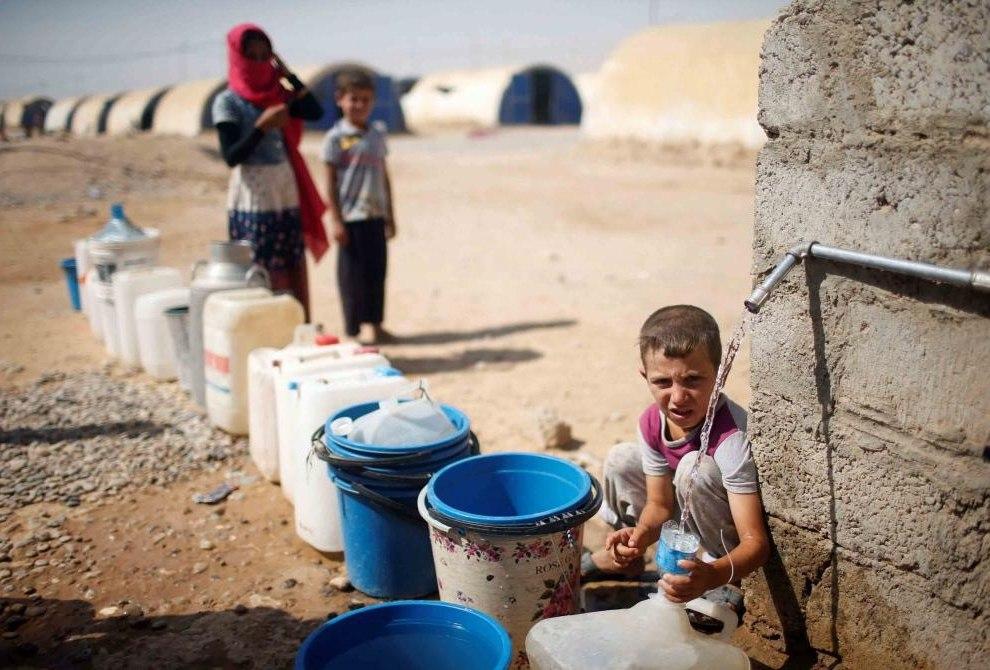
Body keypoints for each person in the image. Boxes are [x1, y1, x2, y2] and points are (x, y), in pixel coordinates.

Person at [586, 305, 770, 618]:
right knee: (621, 458)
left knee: (692, 468)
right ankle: (629, 559)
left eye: (693, 380)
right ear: (645, 377)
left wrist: (712, 574)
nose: (678, 397)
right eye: (663, 382)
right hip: (682, 512)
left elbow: (756, 543)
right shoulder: (651, 421)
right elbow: (658, 505)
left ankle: (724, 581)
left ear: (720, 374)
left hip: (724, 540)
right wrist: (640, 534)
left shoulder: (731, 438)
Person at [212, 23, 329, 321]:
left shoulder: (278, 95)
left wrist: (288, 75)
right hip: (253, 197)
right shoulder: (228, 102)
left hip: (284, 192)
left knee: (290, 263)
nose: (259, 63)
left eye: (265, 56)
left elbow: (315, 111)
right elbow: (231, 156)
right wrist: (261, 127)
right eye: (252, 56)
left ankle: (295, 325)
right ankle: (264, 328)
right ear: (238, 58)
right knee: (259, 267)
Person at [321, 69, 396, 344]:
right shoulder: (336, 137)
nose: (360, 105)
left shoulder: (377, 134)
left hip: (375, 215)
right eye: (354, 99)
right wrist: (336, 220)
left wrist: (390, 215)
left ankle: (376, 325)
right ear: (340, 99)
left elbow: (384, 176)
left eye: (366, 99)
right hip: (351, 219)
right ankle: (353, 332)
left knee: (377, 274)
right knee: (352, 279)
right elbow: (330, 182)